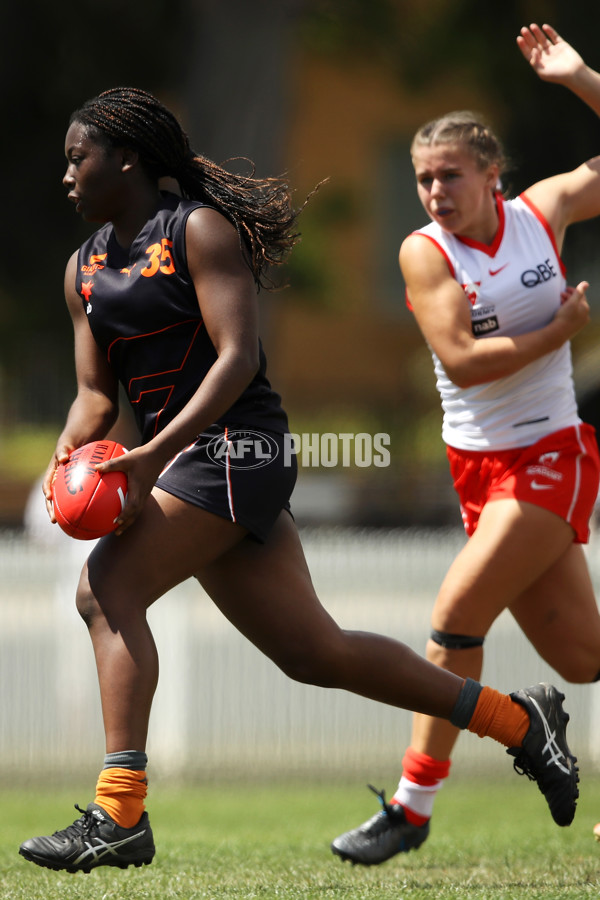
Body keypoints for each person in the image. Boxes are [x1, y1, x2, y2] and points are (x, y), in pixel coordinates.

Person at [18, 86, 578, 875]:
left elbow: (237, 358)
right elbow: (95, 398)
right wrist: (67, 456)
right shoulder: (83, 268)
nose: (67, 174)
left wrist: (147, 461)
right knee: (316, 653)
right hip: (185, 467)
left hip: (242, 448)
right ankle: (520, 723)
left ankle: (119, 814)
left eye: (79, 158)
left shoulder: (197, 231)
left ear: (126, 158)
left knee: (104, 589)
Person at [331, 23, 600, 867]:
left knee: (453, 616)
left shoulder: (541, 213)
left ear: (492, 174)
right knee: (583, 659)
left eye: (450, 174)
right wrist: (558, 331)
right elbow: (464, 365)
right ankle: (544, 722)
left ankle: (413, 809)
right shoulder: (425, 251)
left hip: (552, 453)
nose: (435, 191)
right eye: (422, 179)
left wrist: (582, 75)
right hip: (476, 468)